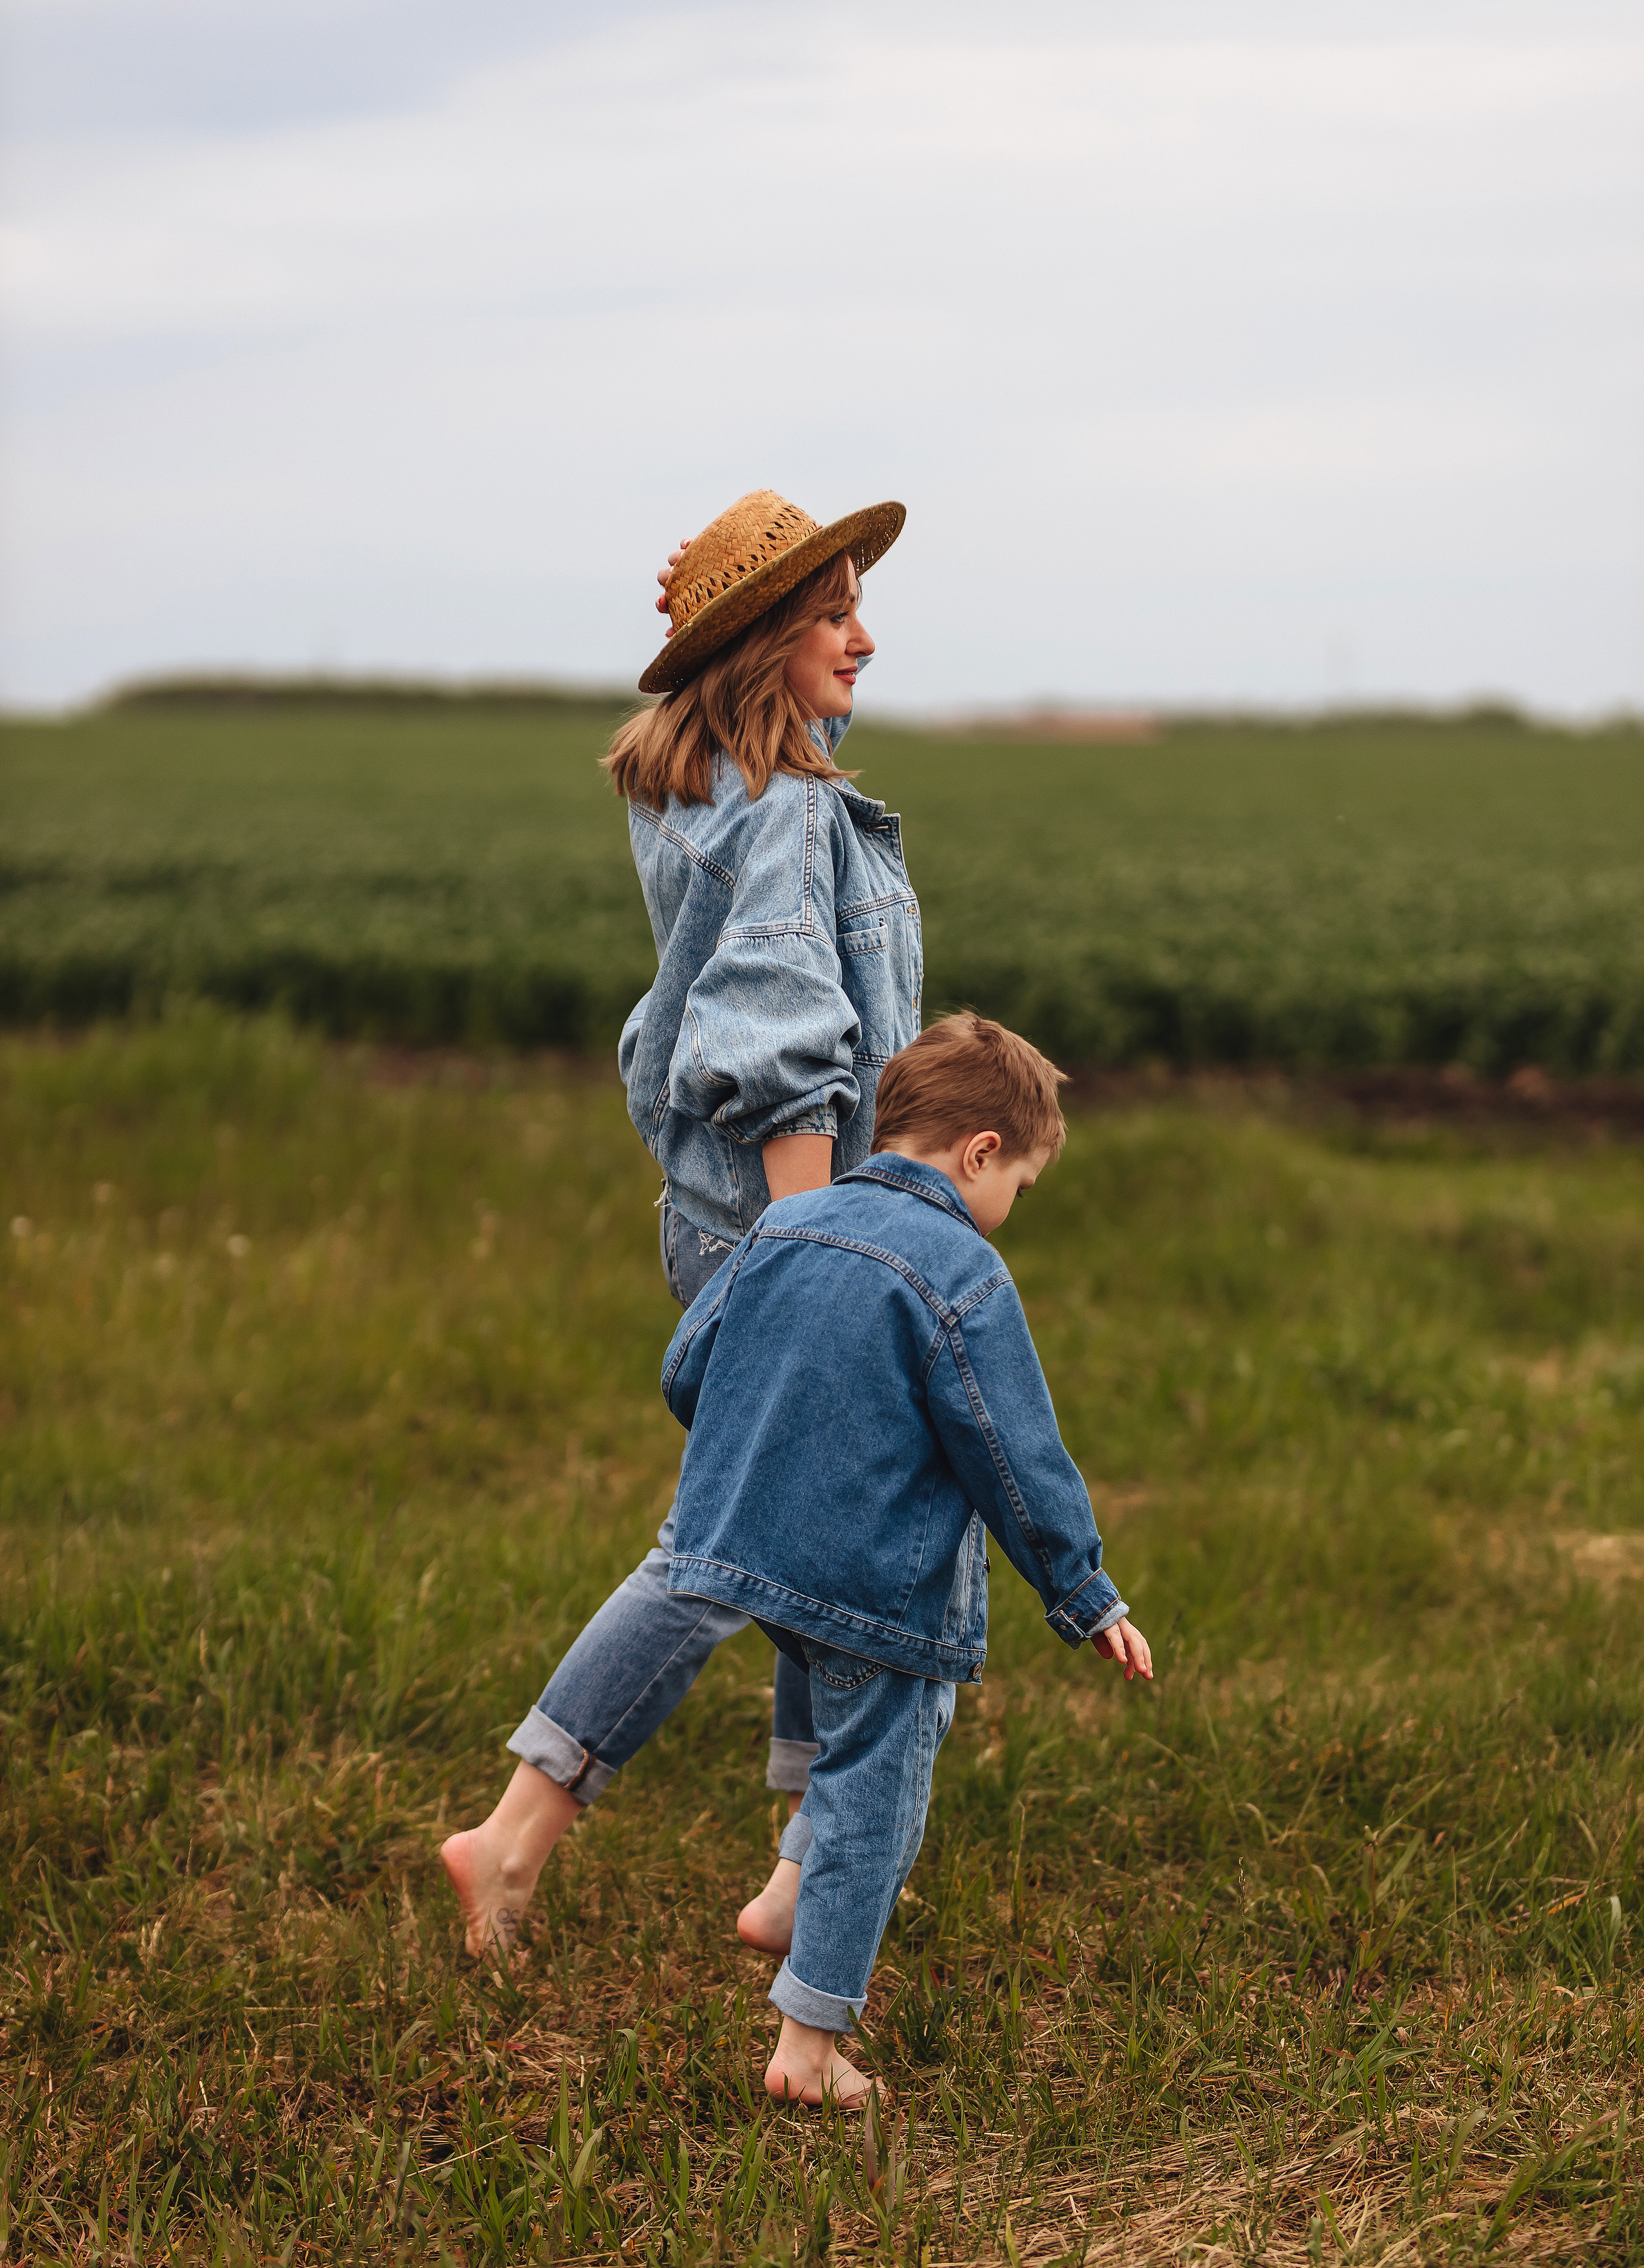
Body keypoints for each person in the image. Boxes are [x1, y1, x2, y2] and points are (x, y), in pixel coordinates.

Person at [441, 487, 918, 1959]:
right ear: (766, 640)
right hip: (796, 1226)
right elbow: (779, 1034)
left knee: (830, 1547)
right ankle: (517, 1834)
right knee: (734, 1550)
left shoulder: (718, 790)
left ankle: (800, 1864)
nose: (865, 636)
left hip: (737, 1229)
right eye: (830, 612)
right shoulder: (779, 815)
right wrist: (821, 1263)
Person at [659, 1013, 1154, 2108]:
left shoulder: (790, 1224)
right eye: (1019, 1184)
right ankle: (809, 2045)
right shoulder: (965, 1272)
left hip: (760, 1559)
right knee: (881, 1779)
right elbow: (1016, 1459)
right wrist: (1085, 1591)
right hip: (880, 1588)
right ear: (982, 1153)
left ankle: (790, 1894)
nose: (1011, 1210)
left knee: (890, 1730)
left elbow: (687, 1366)